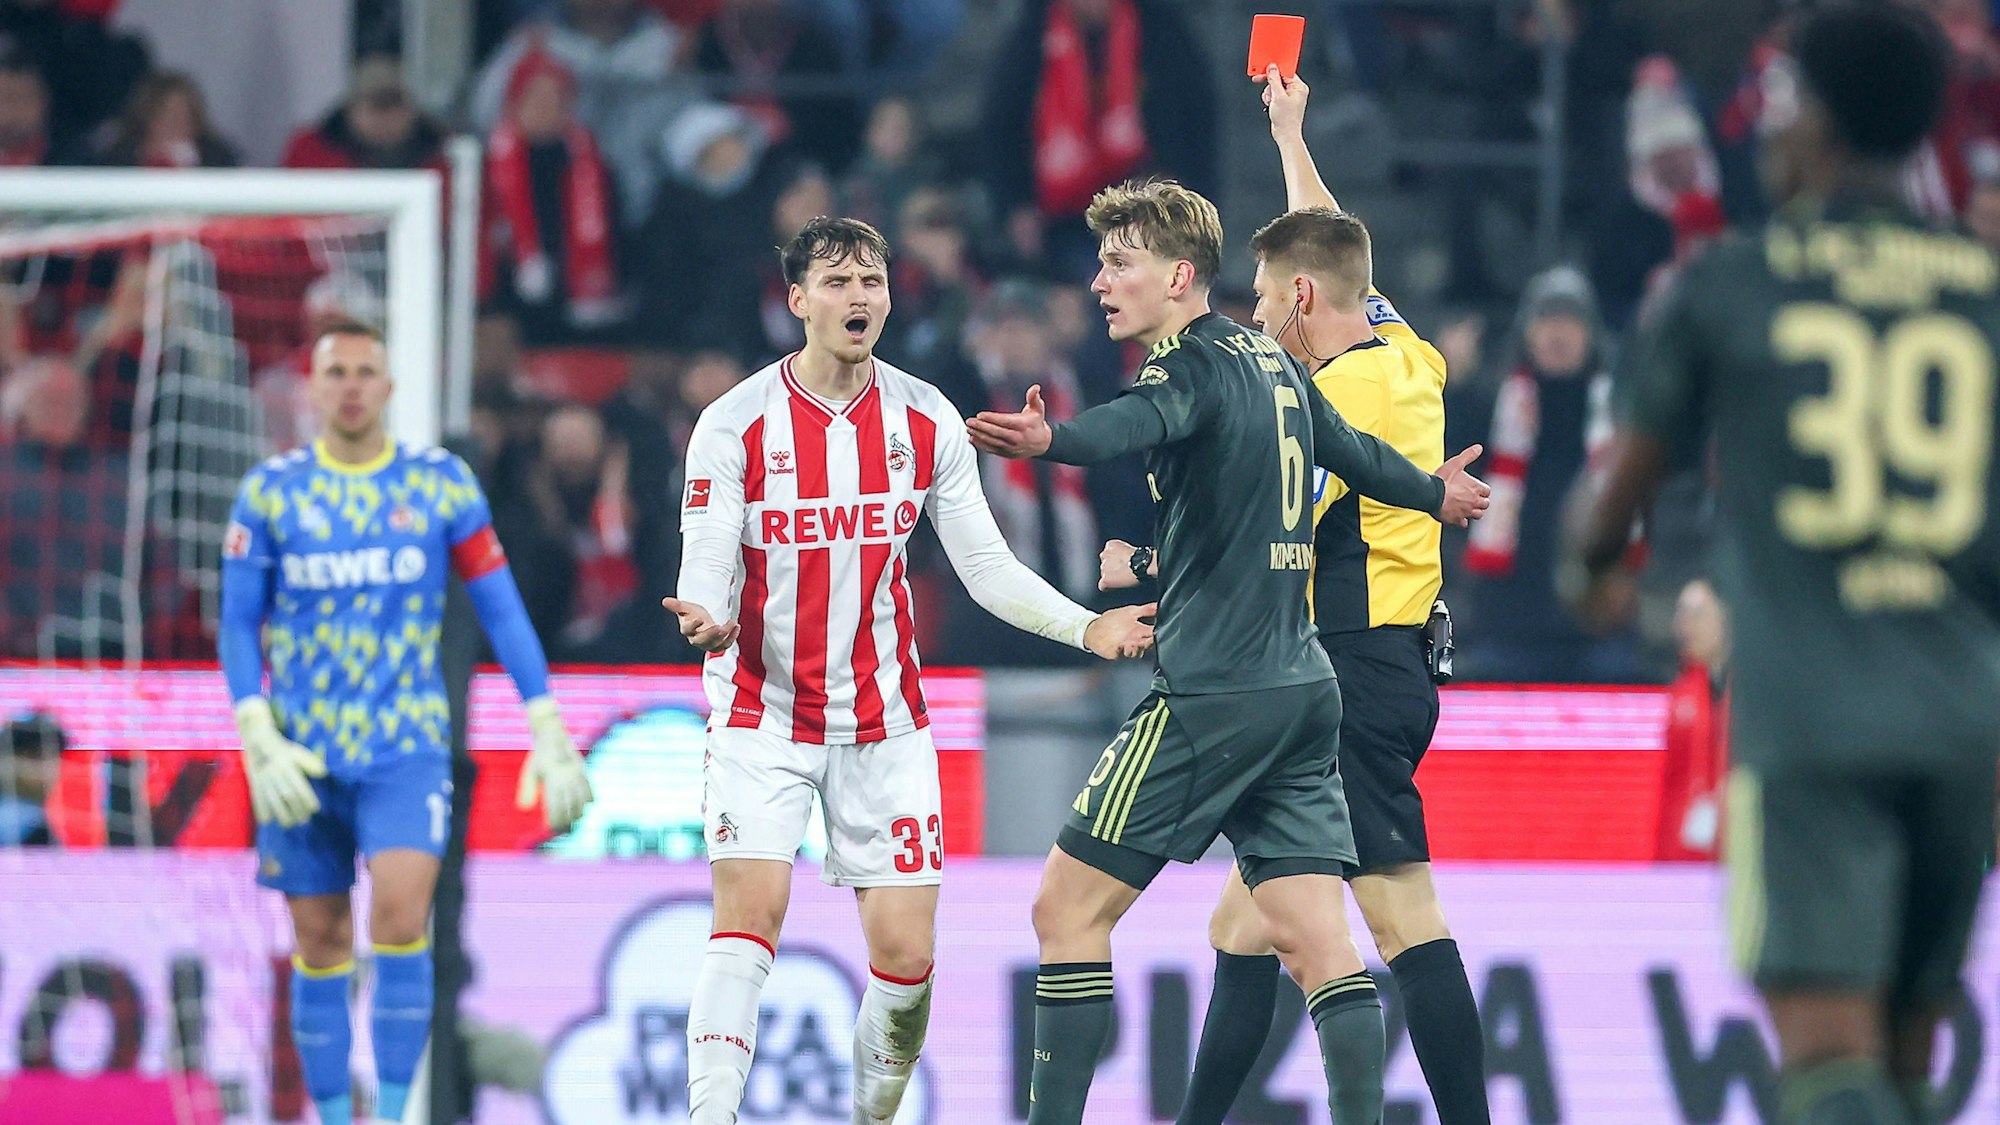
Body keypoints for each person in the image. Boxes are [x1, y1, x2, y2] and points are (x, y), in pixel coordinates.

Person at [964, 179, 1489, 1125]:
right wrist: (1430, 494)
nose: (1098, 283)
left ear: (1178, 276)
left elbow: (1135, 422)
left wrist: (1056, 440)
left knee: (1065, 911)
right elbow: (1355, 457)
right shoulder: (1291, 366)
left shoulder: (1193, 366)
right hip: (1306, 691)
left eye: (1118, 263)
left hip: (1215, 691)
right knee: (1310, 939)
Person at [1565, 7, 2000, 1123]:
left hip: (1810, 718)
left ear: (1814, 124)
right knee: (1904, 1066)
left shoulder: (1731, 285)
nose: (1764, 130)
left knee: (1822, 1063)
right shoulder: (1983, 287)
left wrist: (1598, 578)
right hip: (1962, 718)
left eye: (1781, 104)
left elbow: (1608, 515)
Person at [663, 216, 1156, 1125]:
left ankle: (871, 1116)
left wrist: (1087, 629)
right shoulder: (732, 422)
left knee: (904, 959)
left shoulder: (925, 416)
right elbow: (703, 557)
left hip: (886, 721)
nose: (859, 297)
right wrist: (709, 611)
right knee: (749, 915)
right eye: (839, 281)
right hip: (760, 711)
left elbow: (988, 568)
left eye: (873, 281)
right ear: (797, 299)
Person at [1096, 69, 1494, 1125]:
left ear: (1301, 306)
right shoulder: (1409, 359)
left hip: (1352, 668)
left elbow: (1267, 521)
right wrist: (1288, 131)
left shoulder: (1317, 397)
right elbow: (1327, 250)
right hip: (1383, 663)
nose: (1261, 317)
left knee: (1402, 914)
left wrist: (1142, 567)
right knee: (1243, 924)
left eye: (1268, 302)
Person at [218, 322, 594, 1125]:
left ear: (389, 387)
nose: (351, 385)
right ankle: (328, 1113)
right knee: (319, 943)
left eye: (366, 371)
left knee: (399, 913)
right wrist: (256, 731)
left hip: (405, 746)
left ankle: (391, 1114)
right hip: (301, 752)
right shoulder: (272, 492)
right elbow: (236, 623)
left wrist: (547, 721)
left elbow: (500, 604)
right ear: (313, 389)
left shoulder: (439, 483)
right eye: (336, 372)